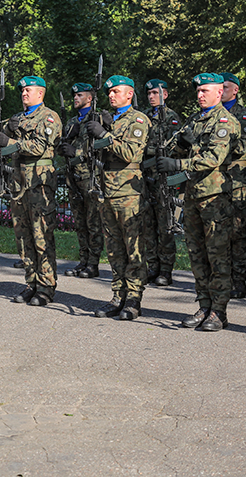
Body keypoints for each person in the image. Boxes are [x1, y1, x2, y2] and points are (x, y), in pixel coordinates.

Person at [156, 72, 237, 331]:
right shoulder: (195, 120)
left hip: (214, 198)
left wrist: (179, 162)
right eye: (198, 91)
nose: (200, 95)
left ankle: (219, 311)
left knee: (218, 255)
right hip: (193, 196)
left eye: (205, 91)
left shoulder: (225, 121)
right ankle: (204, 305)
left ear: (219, 92)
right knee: (197, 255)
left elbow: (213, 158)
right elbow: (175, 148)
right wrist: (179, 146)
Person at [0, 76, 61, 306]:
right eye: (22, 90)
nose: (24, 93)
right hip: (19, 184)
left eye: (28, 90)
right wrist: (6, 134)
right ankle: (30, 282)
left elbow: (39, 147)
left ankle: (46, 286)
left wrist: (13, 139)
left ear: (40, 93)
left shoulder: (49, 117)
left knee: (41, 236)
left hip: (38, 184)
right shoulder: (17, 118)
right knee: (23, 237)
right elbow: (1, 143)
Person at [87, 76, 150, 320]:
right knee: (113, 249)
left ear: (129, 94)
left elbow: (130, 152)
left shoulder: (138, 119)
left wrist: (104, 134)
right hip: (106, 191)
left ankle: (134, 298)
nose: (111, 95)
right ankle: (118, 294)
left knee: (133, 248)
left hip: (128, 193)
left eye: (116, 91)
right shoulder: (108, 119)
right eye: (109, 92)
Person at [57, 83, 104, 279]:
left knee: (93, 223)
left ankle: (93, 263)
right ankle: (83, 260)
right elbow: (62, 148)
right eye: (74, 94)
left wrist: (75, 152)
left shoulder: (98, 119)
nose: (75, 97)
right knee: (80, 222)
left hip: (91, 178)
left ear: (90, 98)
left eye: (80, 95)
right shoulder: (71, 122)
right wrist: (64, 145)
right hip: (73, 177)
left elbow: (101, 148)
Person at [141, 78, 181, 286]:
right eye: (149, 94)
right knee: (148, 225)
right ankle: (152, 266)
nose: (151, 97)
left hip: (163, 179)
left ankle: (166, 270)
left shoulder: (172, 118)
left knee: (165, 225)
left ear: (165, 94)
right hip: (146, 177)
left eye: (155, 93)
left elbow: (174, 147)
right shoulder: (145, 117)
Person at [219, 72, 246, 299]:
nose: (221, 91)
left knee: (238, 233)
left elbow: (242, 147)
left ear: (236, 90)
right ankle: (221, 279)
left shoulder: (244, 116)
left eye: (226, 87)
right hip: (215, 181)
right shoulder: (211, 115)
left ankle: (238, 280)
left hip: (237, 182)